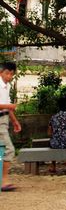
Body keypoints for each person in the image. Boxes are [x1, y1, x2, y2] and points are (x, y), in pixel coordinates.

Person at [0, 61, 21, 192]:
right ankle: (4, 181)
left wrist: (15, 121)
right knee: (9, 149)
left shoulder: (6, 86)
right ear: (1, 72)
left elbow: (7, 107)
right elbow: (7, 106)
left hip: (4, 119)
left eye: (11, 74)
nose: (9, 76)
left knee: (4, 150)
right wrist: (10, 106)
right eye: (7, 73)